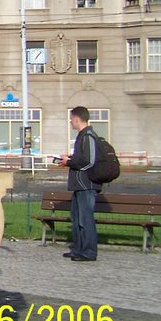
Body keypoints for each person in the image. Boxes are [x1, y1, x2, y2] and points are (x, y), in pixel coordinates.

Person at [58, 106, 101, 261]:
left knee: (85, 218)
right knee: (76, 218)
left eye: (71, 119)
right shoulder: (82, 136)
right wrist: (70, 159)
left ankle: (89, 251)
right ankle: (79, 248)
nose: (70, 122)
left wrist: (70, 161)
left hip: (86, 185)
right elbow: (82, 158)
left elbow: (89, 161)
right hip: (79, 185)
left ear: (77, 119)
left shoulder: (88, 136)